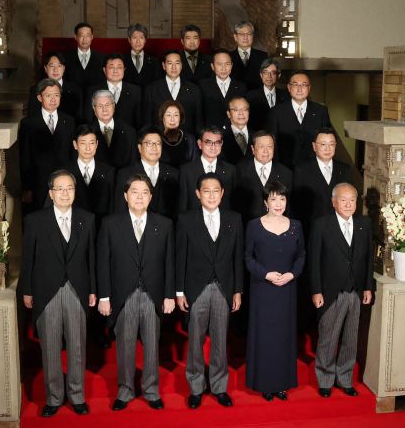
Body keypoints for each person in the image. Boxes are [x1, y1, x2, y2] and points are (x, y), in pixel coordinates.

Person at [20, 170, 96, 417]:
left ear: (75, 191)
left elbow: (91, 258)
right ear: (51, 193)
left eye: (70, 188)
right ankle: (53, 398)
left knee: (77, 346)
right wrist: (27, 290)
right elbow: (28, 258)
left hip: (77, 289)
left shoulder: (87, 219)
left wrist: (93, 290)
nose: (65, 193)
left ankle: (77, 396)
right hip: (46, 290)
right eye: (60, 189)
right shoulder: (35, 220)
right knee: (50, 347)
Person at [97, 174, 176, 411]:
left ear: (151, 197)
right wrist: (104, 296)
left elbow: (169, 262)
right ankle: (125, 390)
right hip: (124, 295)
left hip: (153, 295)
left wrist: (169, 295)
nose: (139, 197)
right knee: (125, 346)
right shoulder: (110, 224)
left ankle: (151, 390)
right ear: (125, 195)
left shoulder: (164, 224)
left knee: (152, 346)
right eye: (134, 192)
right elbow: (103, 262)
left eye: (144, 193)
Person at [176, 173, 243, 409]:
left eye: (216, 191)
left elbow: (237, 257)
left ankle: (219, 386)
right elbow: (180, 256)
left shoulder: (234, 218)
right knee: (195, 339)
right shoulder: (186, 219)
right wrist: (179, 291)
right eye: (206, 191)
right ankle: (196, 387)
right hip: (196, 288)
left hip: (224, 287)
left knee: (220, 339)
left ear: (222, 193)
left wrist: (237, 290)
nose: (212, 196)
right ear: (198, 194)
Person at [308, 183, 374, 398]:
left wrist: (368, 287)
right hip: (330, 292)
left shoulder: (364, 224)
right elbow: (314, 260)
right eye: (343, 200)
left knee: (350, 338)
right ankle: (325, 379)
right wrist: (316, 290)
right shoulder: (322, 224)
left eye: (352, 200)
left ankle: (345, 379)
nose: (348, 204)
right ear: (334, 202)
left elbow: (369, 259)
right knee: (328, 338)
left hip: (355, 291)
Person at [244, 181, 305, 401]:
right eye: (273, 199)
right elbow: (248, 257)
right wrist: (266, 274)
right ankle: (264, 384)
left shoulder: (296, 225)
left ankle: (281, 384)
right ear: (265, 202)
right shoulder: (254, 225)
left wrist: (292, 274)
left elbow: (301, 255)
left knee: (283, 337)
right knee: (264, 337)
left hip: (287, 289)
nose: (278, 203)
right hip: (263, 289)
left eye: (282, 199)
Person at [19, 78, 75, 212]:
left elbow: (72, 154)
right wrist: (27, 188)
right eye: (48, 95)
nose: (53, 99)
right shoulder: (28, 123)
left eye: (56, 95)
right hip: (38, 183)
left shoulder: (69, 121)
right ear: (39, 98)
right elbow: (24, 157)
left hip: (64, 183)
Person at [265, 71, 332, 169]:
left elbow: (328, 140)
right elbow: (271, 142)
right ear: (289, 87)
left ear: (309, 88)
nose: (299, 89)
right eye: (295, 84)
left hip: (314, 168)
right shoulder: (276, 111)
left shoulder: (321, 111)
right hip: (285, 168)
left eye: (304, 85)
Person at [292, 128, 352, 232]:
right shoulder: (302, 170)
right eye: (323, 144)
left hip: (337, 229)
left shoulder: (345, 169)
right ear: (314, 146)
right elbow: (296, 205)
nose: (327, 148)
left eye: (331, 144)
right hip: (311, 228)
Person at [115, 126, 179, 220]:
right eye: (149, 143)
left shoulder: (174, 173)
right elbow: (119, 210)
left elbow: (177, 209)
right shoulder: (125, 174)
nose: (154, 147)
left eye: (158, 143)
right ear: (139, 147)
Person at [233, 131, 292, 225]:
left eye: (269, 146)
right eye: (261, 147)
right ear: (253, 149)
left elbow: (289, 207)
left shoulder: (286, 173)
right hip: (247, 225)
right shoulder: (239, 170)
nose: (266, 151)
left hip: (277, 226)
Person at [64, 124, 115, 224]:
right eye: (83, 143)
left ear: (97, 144)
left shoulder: (109, 171)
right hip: (73, 226)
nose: (88, 148)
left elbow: (112, 204)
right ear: (75, 145)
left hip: (101, 226)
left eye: (91, 143)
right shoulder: (65, 172)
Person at [144, 50, 203, 134]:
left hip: (186, 138)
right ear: (164, 66)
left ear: (181, 65)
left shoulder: (194, 89)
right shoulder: (151, 89)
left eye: (177, 63)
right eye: (170, 63)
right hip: (160, 137)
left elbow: (198, 121)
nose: (174, 67)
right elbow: (147, 121)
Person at [179, 126, 235, 212]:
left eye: (217, 143)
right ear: (199, 144)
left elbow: (234, 204)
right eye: (209, 143)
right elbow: (182, 204)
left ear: (221, 144)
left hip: (223, 219)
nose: (213, 147)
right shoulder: (186, 170)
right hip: (194, 218)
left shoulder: (231, 170)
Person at [84, 54, 143, 128]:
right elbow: (88, 120)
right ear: (104, 70)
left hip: (128, 134)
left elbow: (139, 120)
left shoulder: (135, 91)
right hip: (100, 133)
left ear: (124, 69)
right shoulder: (92, 91)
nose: (115, 71)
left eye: (119, 67)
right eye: (111, 67)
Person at [88, 89, 138, 169]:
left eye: (107, 105)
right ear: (94, 109)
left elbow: (133, 162)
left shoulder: (129, 131)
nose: (104, 109)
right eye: (100, 106)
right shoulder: (87, 132)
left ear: (114, 106)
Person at [28, 51, 83, 122]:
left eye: (59, 66)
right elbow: (32, 118)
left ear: (63, 68)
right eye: (52, 66)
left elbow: (79, 118)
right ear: (45, 68)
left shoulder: (76, 90)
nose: (55, 70)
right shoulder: (35, 90)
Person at [199, 48, 247, 127]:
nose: (223, 68)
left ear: (231, 65)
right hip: (211, 132)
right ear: (212, 66)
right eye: (219, 64)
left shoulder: (241, 87)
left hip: (233, 131)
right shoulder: (202, 86)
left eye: (227, 64)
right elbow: (199, 114)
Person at [246, 58, 289, 130]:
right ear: (261, 75)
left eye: (273, 73)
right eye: (265, 72)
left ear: (278, 75)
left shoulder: (286, 96)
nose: (269, 76)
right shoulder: (250, 96)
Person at [64, 22, 106, 90]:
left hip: (95, 95)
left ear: (92, 37)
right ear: (76, 37)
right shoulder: (66, 57)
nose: (85, 39)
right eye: (81, 35)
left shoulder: (102, 58)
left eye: (88, 35)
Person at [229, 21, 268, 90]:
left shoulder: (263, 56)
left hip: (257, 94)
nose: (245, 37)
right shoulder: (228, 57)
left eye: (249, 34)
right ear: (235, 37)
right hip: (234, 95)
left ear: (253, 36)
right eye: (241, 34)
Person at [158, 100, 198, 168]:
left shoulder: (190, 139)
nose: (172, 119)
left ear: (180, 118)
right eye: (168, 115)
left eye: (176, 115)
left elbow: (195, 165)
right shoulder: (156, 138)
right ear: (162, 117)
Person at [123, 23, 163, 88]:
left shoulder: (155, 61)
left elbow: (158, 84)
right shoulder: (122, 61)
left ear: (145, 40)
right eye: (134, 38)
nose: (138, 41)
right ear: (129, 40)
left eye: (141, 38)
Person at [220, 97, 255, 164]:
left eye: (245, 109)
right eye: (236, 110)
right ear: (228, 114)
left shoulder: (257, 136)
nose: (241, 113)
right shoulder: (220, 137)